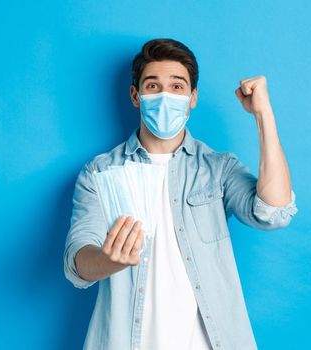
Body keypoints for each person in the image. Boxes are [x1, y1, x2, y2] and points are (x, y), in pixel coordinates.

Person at [63, 38, 298, 350]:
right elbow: (77, 264)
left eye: (176, 87)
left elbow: (273, 211)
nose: (164, 96)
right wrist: (108, 260)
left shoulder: (218, 168)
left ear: (192, 97)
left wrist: (263, 115)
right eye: (152, 86)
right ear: (136, 96)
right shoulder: (100, 172)